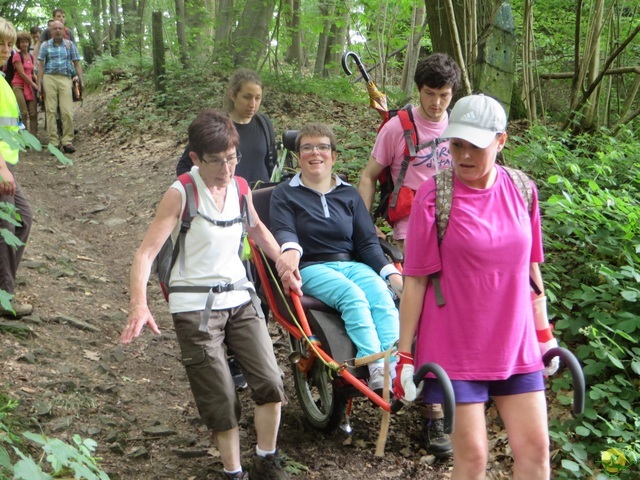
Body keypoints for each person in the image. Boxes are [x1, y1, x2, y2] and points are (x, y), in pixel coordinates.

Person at [120, 110, 300, 480]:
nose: (226, 169)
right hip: (195, 308)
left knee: (269, 380)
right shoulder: (181, 193)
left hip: (240, 298)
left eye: (232, 157)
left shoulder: (240, 188)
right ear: (196, 158)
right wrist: (139, 304)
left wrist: (283, 262)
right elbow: (145, 253)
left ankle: (266, 459)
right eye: (216, 161)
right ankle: (233, 472)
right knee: (221, 397)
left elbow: (257, 230)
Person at [394, 94, 559, 479]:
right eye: (457, 144)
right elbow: (416, 281)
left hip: (514, 343)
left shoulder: (522, 190)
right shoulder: (434, 197)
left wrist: (544, 333)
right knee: (473, 457)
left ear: (500, 141)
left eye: (476, 146)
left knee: (536, 451)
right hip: (455, 348)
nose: (464, 155)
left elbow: (531, 270)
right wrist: (404, 355)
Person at [358, 52, 461, 458]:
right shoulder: (397, 128)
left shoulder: (461, 126)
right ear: (419, 90)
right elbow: (368, 176)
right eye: (430, 94)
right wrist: (363, 231)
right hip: (407, 239)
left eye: (445, 95)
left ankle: (448, 391)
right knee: (421, 319)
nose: (437, 103)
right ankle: (432, 413)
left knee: (449, 318)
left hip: (455, 237)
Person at [270, 123, 403, 391]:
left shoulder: (349, 194)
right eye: (307, 148)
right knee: (351, 295)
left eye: (322, 147)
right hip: (310, 266)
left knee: (381, 293)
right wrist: (291, 250)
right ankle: (376, 366)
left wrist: (392, 273)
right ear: (298, 156)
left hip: (351, 264)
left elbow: (366, 243)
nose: (314, 153)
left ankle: (396, 366)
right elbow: (285, 231)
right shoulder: (285, 194)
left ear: (334, 155)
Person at [176, 68, 276, 186]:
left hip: (261, 198)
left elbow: (271, 163)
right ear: (233, 95)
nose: (252, 104)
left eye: (257, 98)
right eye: (247, 97)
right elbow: (184, 167)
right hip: (226, 200)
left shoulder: (264, 123)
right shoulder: (216, 127)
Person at [0, 18, 33, 318]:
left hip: (7, 164)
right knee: (7, 229)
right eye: (0, 43)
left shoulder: (2, 81)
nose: (6, 49)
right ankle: (4, 298)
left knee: (23, 220)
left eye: (9, 45)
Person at [37, 19, 83, 153]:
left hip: (65, 78)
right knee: (50, 110)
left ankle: (67, 141)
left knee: (67, 110)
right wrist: (39, 83)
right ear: (51, 31)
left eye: (60, 28)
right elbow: (40, 66)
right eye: (55, 28)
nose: (57, 31)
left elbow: (77, 63)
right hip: (49, 78)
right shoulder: (45, 46)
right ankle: (54, 142)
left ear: (64, 31)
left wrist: (81, 80)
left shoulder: (70, 45)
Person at [11, 31, 38, 136]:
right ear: (18, 43)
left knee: (33, 112)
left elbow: (31, 73)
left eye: (26, 42)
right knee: (23, 112)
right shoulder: (17, 56)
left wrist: (37, 82)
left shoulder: (31, 57)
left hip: (29, 86)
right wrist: (33, 84)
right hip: (18, 86)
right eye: (22, 42)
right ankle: (23, 137)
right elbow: (22, 73)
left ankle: (34, 136)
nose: (24, 44)